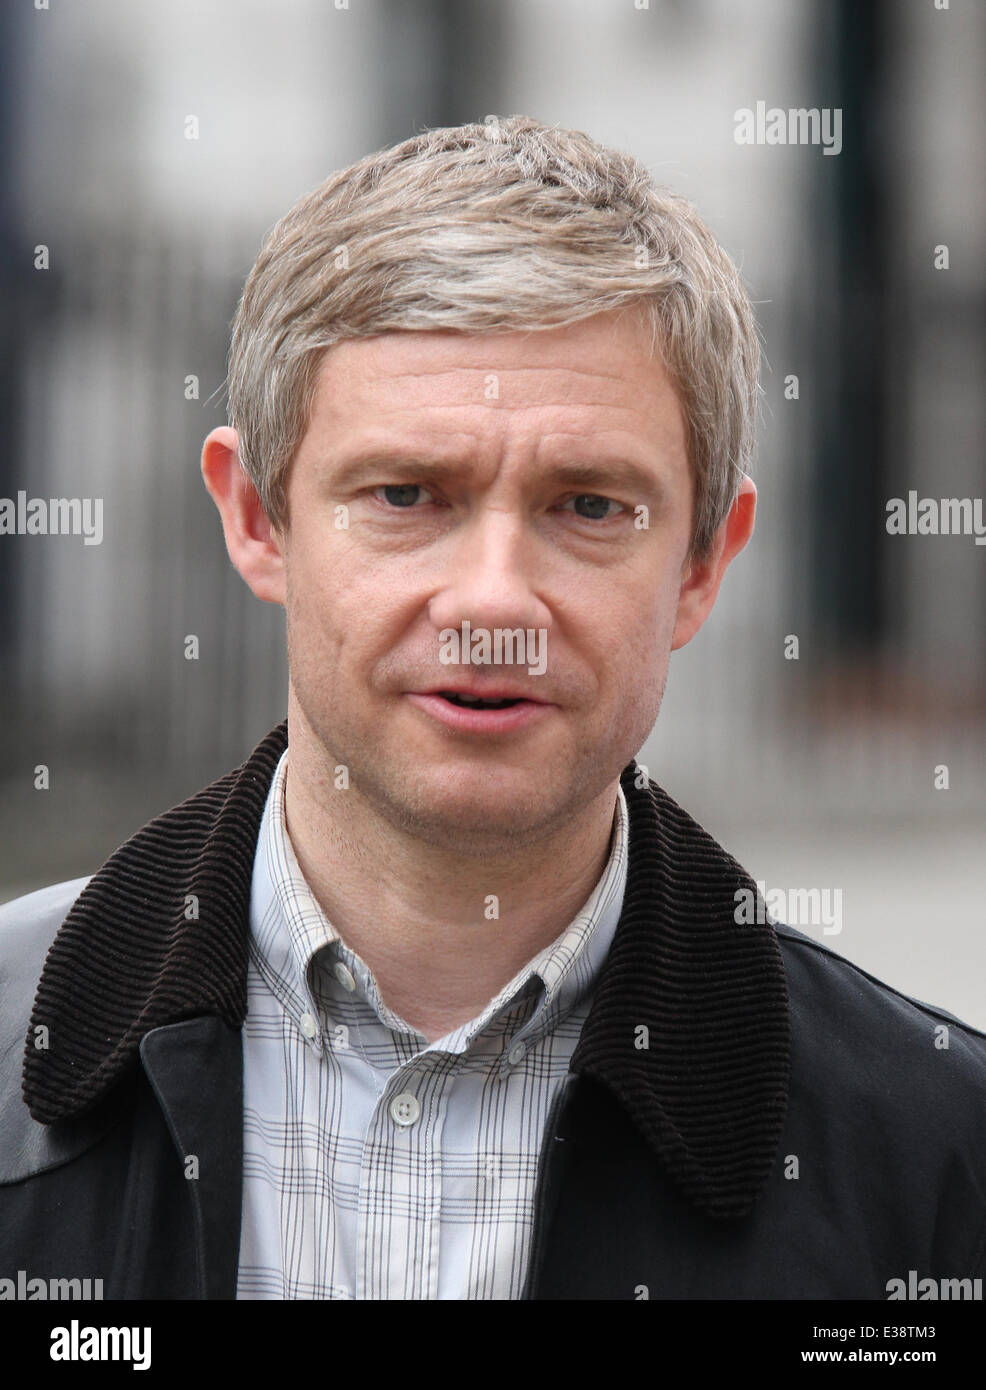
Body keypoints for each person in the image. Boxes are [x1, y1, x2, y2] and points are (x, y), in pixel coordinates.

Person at [1, 116, 984, 1302]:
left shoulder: (934, 1159)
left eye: (587, 505)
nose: (493, 602)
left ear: (701, 564)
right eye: (407, 493)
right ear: (259, 520)